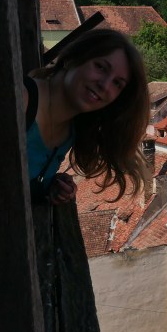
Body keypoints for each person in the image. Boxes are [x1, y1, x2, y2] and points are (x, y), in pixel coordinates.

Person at [25, 28, 150, 204]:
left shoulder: (70, 133)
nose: (105, 85)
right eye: (100, 67)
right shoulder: (22, 99)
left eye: (117, 83)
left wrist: (48, 184)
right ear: (71, 59)